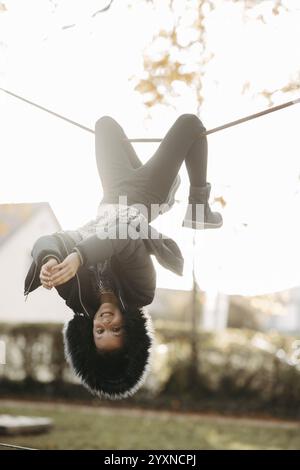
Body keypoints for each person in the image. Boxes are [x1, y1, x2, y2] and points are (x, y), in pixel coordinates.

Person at [24, 113, 222, 400]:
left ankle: (156, 170)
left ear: (88, 335)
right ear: (129, 329)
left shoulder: (74, 294)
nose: (105, 322)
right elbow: (122, 236)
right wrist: (79, 256)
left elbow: (49, 240)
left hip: (112, 193)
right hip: (147, 196)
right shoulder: (139, 291)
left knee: (104, 124)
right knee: (190, 125)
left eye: (100, 331)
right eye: (114, 329)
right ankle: (198, 208)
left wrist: (48, 260)